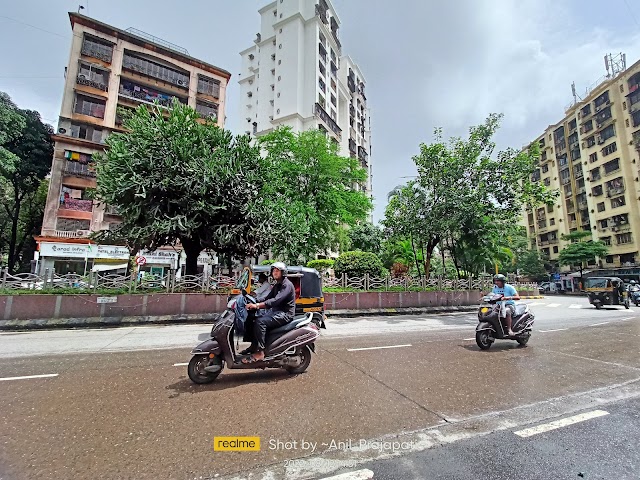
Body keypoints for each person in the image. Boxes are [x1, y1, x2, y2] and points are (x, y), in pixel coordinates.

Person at [242, 262, 295, 363]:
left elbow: (275, 300)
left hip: (285, 314)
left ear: (283, 272)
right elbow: (267, 298)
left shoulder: (286, 285)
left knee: (260, 322)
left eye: (277, 271)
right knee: (254, 319)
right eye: (273, 270)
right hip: (276, 312)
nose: (275, 272)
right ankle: (253, 347)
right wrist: (253, 300)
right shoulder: (277, 285)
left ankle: (260, 352)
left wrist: (257, 305)